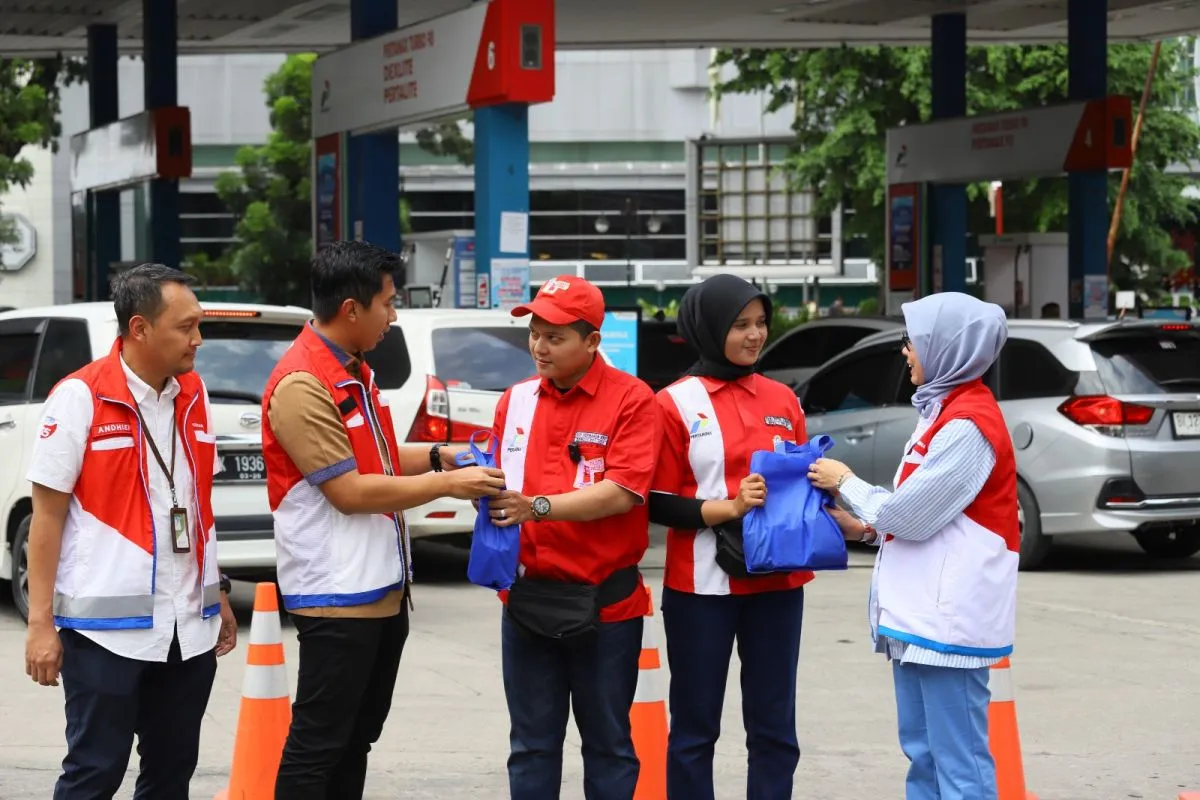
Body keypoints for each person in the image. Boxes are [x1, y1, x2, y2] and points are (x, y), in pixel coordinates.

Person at [263, 240, 507, 799]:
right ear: (352, 309)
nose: (393, 317)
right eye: (389, 303)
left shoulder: (353, 371)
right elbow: (349, 491)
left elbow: (380, 457)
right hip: (337, 596)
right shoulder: (303, 383)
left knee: (355, 741)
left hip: (379, 590)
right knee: (319, 746)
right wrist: (449, 485)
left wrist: (445, 456)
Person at [23, 263, 238, 799]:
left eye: (198, 324)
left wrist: (218, 594)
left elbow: (197, 506)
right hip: (106, 635)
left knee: (170, 775)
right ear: (139, 328)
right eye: (186, 327)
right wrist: (40, 624)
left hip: (187, 631)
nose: (198, 338)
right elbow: (46, 517)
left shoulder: (194, 394)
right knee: (95, 772)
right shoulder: (81, 397)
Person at [807, 291, 1018, 800]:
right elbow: (927, 515)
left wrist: (846, 481)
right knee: (924, 757)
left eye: (913, 340)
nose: (905, 350)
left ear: (947, 346)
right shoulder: (941, 411)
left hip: (947, 622)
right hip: (920, 619)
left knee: (959, 767)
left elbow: (911, 516)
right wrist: (863, 529)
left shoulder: (968, 425)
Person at [486, 274, 661, 800]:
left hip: (605, 609)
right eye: (534, 334)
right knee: (531, 747)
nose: (539, 346)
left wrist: (534, 507)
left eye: (555, 337)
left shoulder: (632, 400)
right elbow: (496, 478)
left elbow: (622, 493)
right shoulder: (515, 400)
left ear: (592, 341)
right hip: (527, 602)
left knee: (608, 747)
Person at [647, 274, 812, 800]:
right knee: (694, 730)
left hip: (779, 582)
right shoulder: (672, 403)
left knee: (775, 729)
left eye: (761, 323)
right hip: (701, 589)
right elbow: (655, 501)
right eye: (740, 325)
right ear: (709, 327)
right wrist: (730, 508)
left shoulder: (784, 399)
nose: (755, 335)